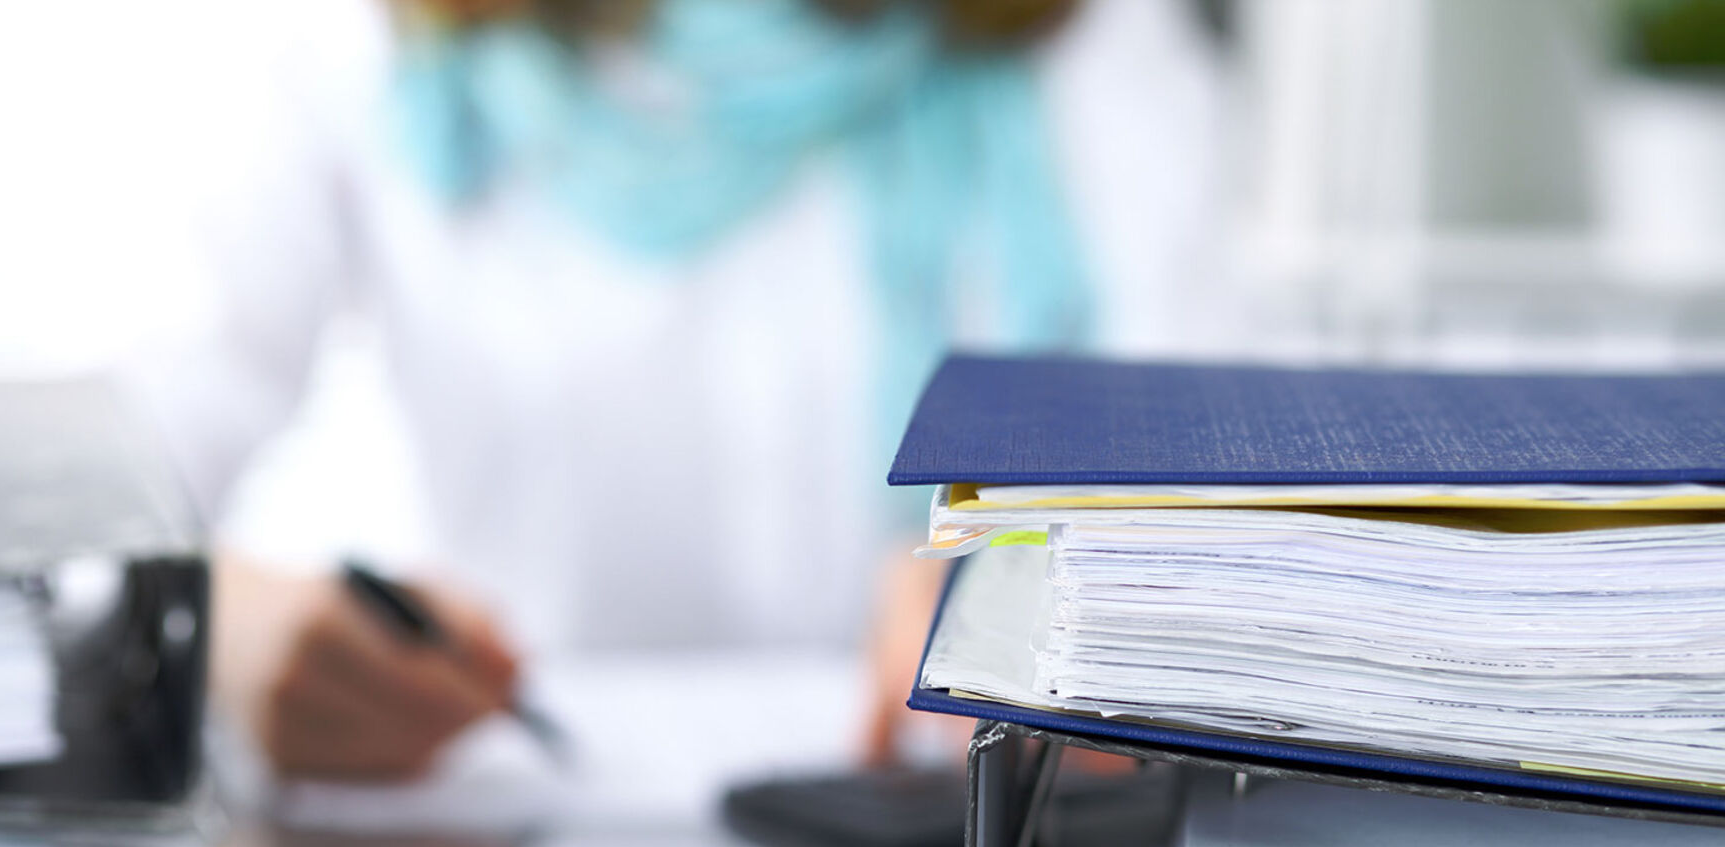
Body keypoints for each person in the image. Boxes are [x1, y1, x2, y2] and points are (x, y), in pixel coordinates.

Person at [126, 0, 1225, 780]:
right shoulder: (359, 54)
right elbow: (88, 501)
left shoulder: (1096, 44)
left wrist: (1078, 589)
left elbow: (1254, 486)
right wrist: (219, 629)